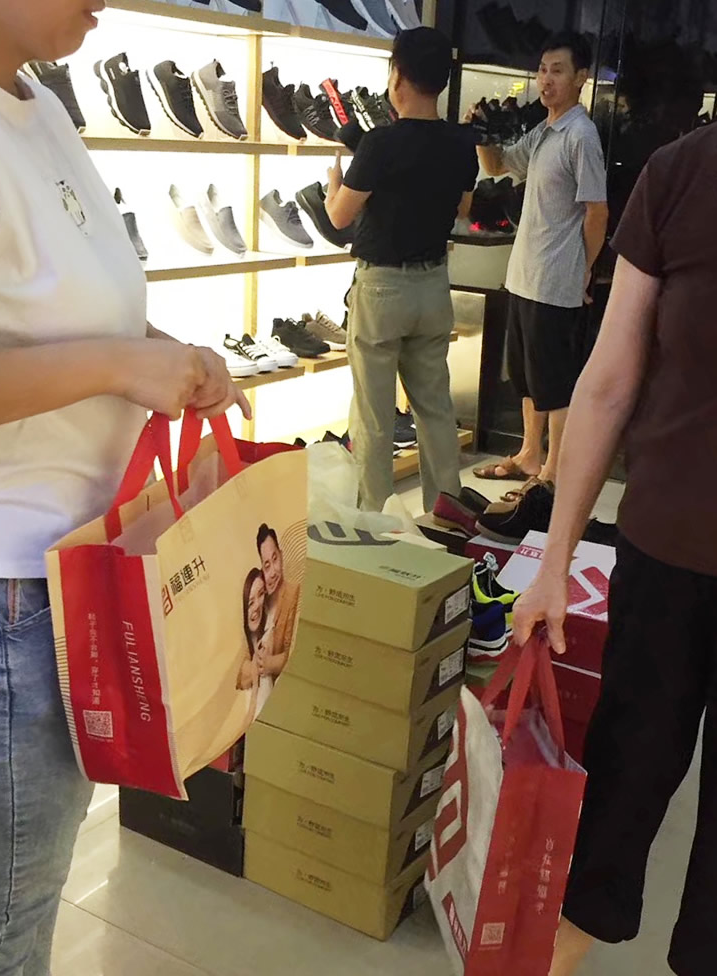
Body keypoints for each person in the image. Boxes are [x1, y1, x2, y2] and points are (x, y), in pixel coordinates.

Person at [0, 2, 250, 976]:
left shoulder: (40, 106)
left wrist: (166, 354)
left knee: (21, 914)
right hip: (0, 592)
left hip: (70, 579)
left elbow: (67, 307)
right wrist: (118, 365)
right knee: (0, 933)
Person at [511, 118, 717, 976]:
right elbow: (607, 382)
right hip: (664, 561)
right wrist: (553, 562)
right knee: (615, 797)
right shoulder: (681, 176)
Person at [325, 27, 478, 513]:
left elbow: (339, 217)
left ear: (397, 78)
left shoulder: (379, 143)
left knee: (373, 416)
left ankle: (376, 521)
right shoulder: (461, 143)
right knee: (435, 408)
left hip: (382, 288)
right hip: (433, 285)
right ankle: (446, 513)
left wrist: (333, 184)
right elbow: (463, 209)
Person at [472, 31, 608, 488]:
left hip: (555, 281)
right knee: (526, 377)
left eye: (557, 71)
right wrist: (482, 133)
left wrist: (583, 270)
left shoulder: (581, 136)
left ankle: (553, 472)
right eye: (542, 70)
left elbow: (597, 211)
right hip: (524, 275)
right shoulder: (544, 131)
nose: (546, 80)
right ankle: (530, 454)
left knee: (554, 381)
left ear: (580, 78)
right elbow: (496, 165)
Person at [256, 524, 299, 679]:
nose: (273, 572)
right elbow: (243, 670)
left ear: (281, 556)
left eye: (275, 559)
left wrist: (269, 664)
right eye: (267, 566)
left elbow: (293, 652)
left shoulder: (293, 593)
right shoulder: (259, 603)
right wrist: (255, 665)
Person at [237, 568, 275, 716]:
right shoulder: (242, 654)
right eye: (250, 603)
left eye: (261, 594)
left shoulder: (269, 635)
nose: (257, 605)